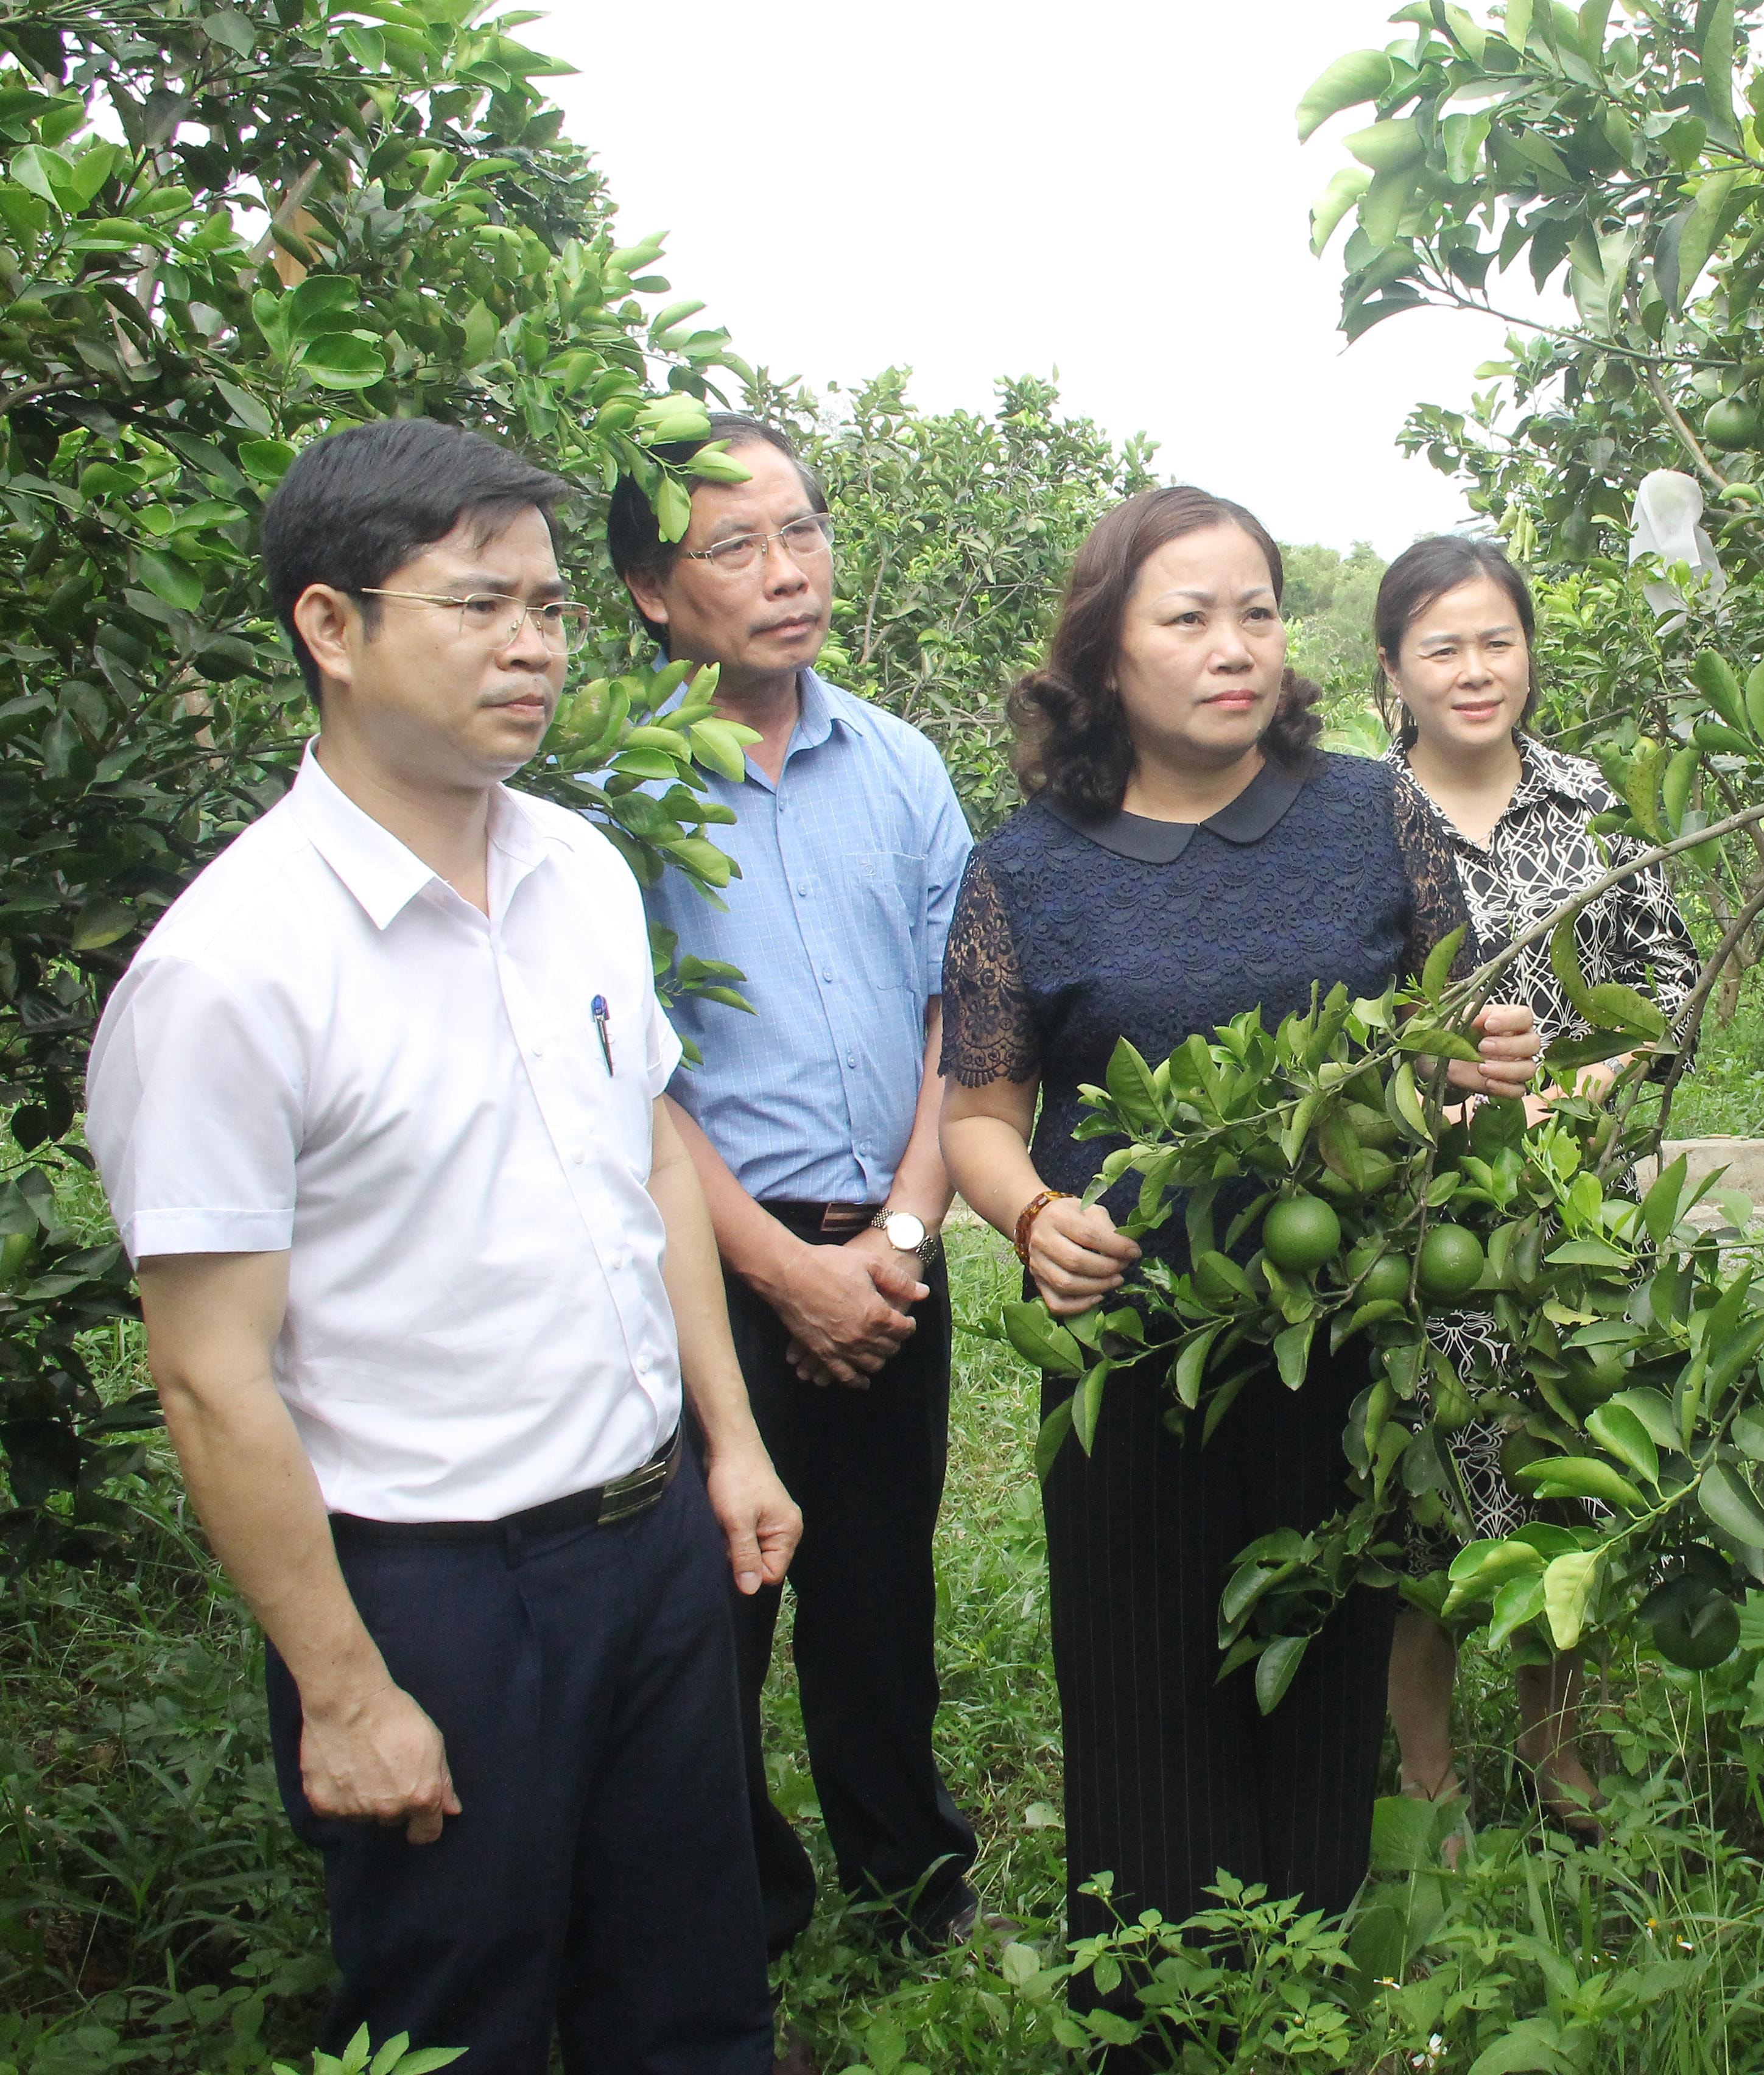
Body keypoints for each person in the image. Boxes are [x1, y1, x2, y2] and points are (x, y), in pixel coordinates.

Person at [86, 418, 801, 2071]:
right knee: (454, 2013)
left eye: (550, 607)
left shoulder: (584, 875)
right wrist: (344, 1688)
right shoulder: (232, 973)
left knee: (692, 1994)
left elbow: (649, 1167)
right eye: (480, 604)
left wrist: (734, 1440)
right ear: (331, 628)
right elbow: (207, 1379)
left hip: (651, 1543)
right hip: (435, 1589)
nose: (535, 645)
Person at [937, 486, 1542, 2015]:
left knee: (1330, 1659)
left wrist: (1488, 1056)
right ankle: (1150, 2008)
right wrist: (1028, 1211)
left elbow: (1448, 1029)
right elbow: (982, 1115)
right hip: (1136, 1346)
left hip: (1344, 1320)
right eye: (1187, 617)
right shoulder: (1030, 863)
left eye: (1258, 613)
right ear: (1105, 654)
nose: (1233, 647)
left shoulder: (1366, 811)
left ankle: (1316, 1984)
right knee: (1139, 1681)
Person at [606, 416, 983, 1964]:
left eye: (804, 533)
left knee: (882, 1599)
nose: (788, 575)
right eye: (737, 548)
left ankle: (913, 1891)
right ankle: (735, 1915)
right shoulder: (608, 791)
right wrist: (777, 1268)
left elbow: (969, 1007)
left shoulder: (895, 762)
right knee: (715, 1612)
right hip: (712, 1265)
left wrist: (902, 1231)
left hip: (892, 1252)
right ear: (650, 588)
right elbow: (619, 1070)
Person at [1367, 535, 1699, 1839]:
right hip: (1418, 1222)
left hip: (1577, 1218)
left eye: (1495, 639)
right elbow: (1332, 1021)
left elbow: (1671, 982)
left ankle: (1561, 1764)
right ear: (1392, 668)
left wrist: (1587, 1089)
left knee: (1566, 1474)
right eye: (1441, 646)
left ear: (1530, 653)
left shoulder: (1591, 801)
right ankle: (1429, 1783)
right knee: (1424, 1499)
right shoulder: (1357, 817)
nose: (1474, 669)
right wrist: (1427, 1109)